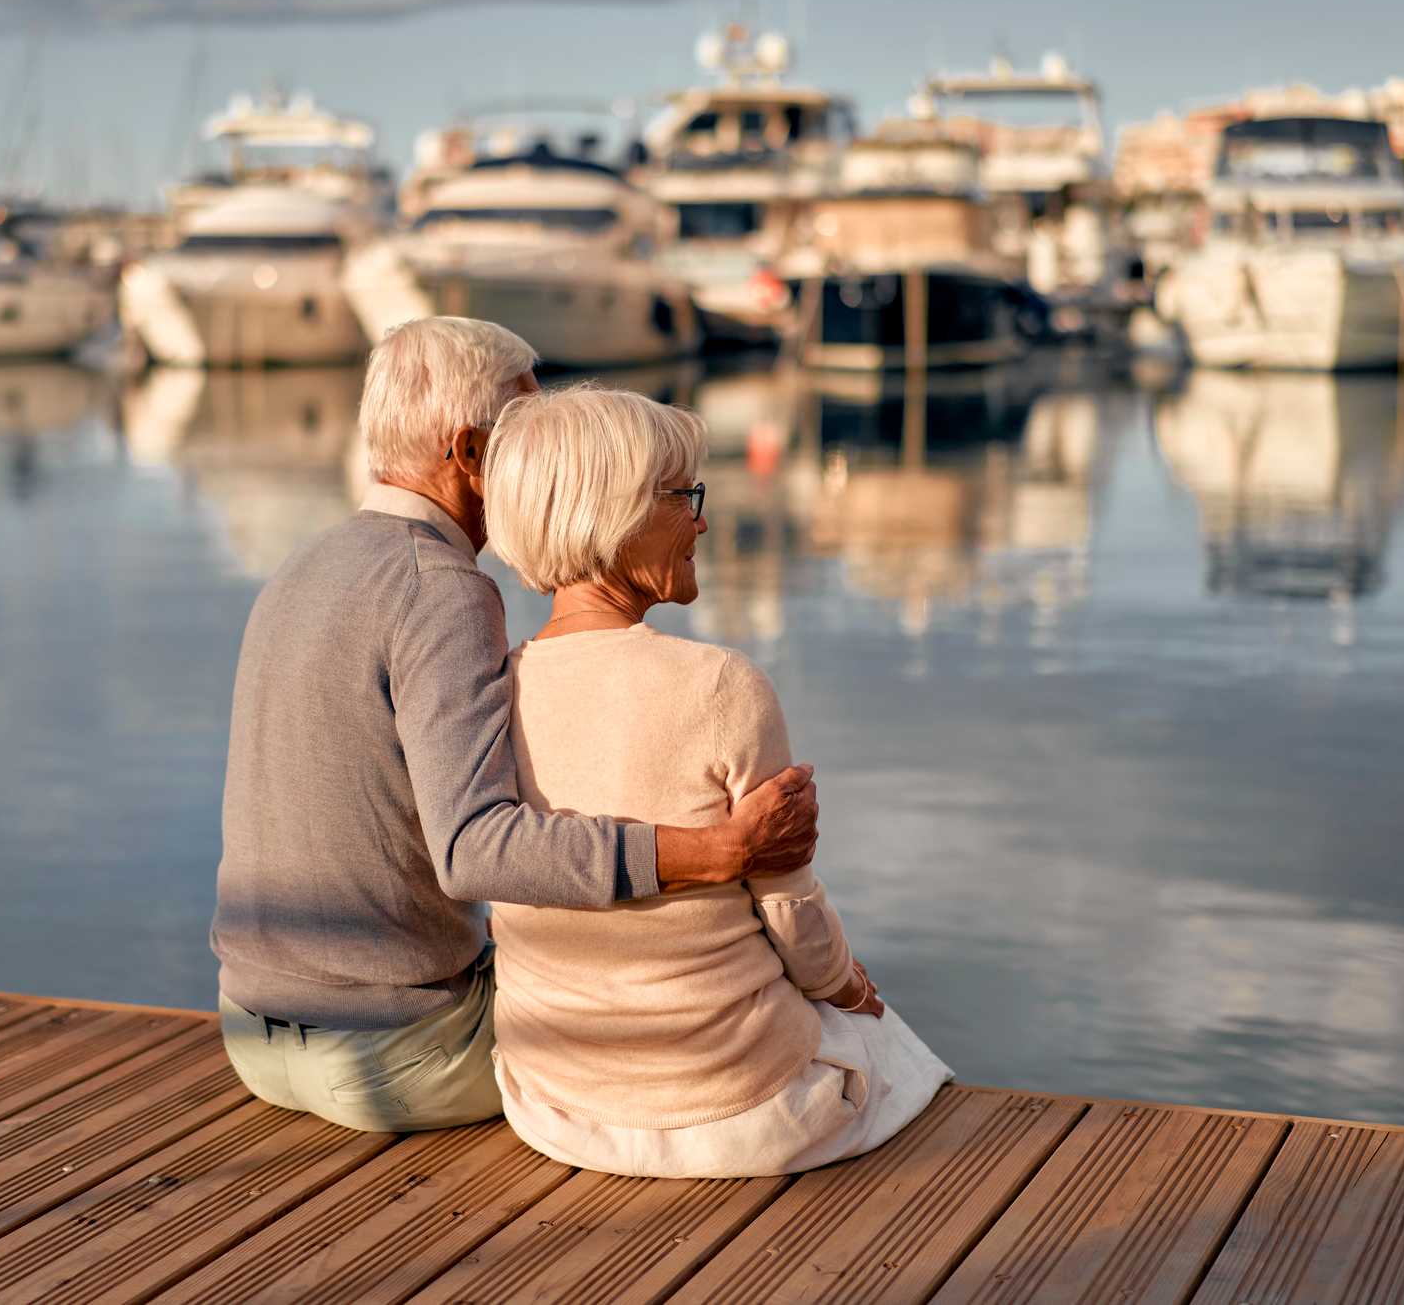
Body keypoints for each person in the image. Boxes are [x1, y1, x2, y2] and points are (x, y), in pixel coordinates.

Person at [211, 318, 822, 1134]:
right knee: (682, 996)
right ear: (468, 453)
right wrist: (717, 852)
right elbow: (473, 851)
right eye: (523, 432)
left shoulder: (301, 567)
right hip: (396, 1054)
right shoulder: (438, 588)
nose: (543, 457)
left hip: (251, 1032)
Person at [481, 384, 952, 1178]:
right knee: (879, 1037)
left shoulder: (494, 688)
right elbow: (792, 911)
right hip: (735, 1110)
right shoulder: (721, 685)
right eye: (682, 496)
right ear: (618, 511)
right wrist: (846, 984)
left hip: (552, 1099)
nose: (701, 519)